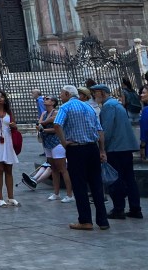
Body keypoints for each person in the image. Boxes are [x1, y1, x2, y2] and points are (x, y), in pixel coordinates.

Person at [52, 84, 109, 231]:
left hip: (76, 149)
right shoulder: (89, 107)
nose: (60, 96)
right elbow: (100, 129)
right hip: (92, 148)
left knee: (79, 185)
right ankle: (103, 221)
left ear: (66, 94)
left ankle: (85, 220)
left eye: (61, 93)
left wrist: (64, 142)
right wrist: (102, 150)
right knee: (96, 184)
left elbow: (57, 124)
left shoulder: (66, 107)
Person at [92, 84, 142, 220]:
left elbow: (106, 130)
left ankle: (119, 208)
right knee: (129, 178)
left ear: (102, 93)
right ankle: (135, 208)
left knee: (116, 179)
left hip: (115, 148)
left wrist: (101, 148)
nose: (94, 96)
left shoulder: (108, 106)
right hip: (125, 147)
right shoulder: (117, 104)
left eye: (95, 93)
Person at [23, 96, 73, 202]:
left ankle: (69, 194)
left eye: (47, 99)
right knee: (53, 168)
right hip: (47, 143)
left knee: (62, 169)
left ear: (53, 102)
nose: (45, 100)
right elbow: (39, 125)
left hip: (56, 143)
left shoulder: (57, 113)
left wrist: (44, 128)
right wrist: (45, 124)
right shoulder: (44, 114)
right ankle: (56, 193)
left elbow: (56, 128)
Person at [140, 85, 148, 163]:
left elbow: (144, 131)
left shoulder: (146, 111)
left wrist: (142, 147)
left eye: (143, 93)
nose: (141, 95)